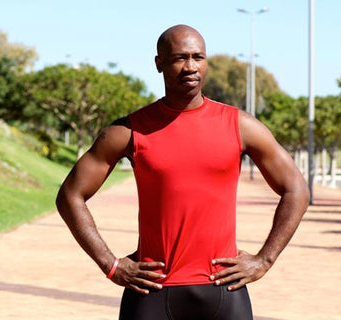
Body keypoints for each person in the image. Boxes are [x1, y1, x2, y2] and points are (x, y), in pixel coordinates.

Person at [56, 24, 310, 320]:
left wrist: (264, 259)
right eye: (179, 58)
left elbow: (296, 189)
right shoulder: (129, 131)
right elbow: (70, 196)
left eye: (197, 57)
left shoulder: (239, 125)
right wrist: (110, 264)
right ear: (159, 64)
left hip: (223, 291)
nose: (190, 67)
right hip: (152, 294)